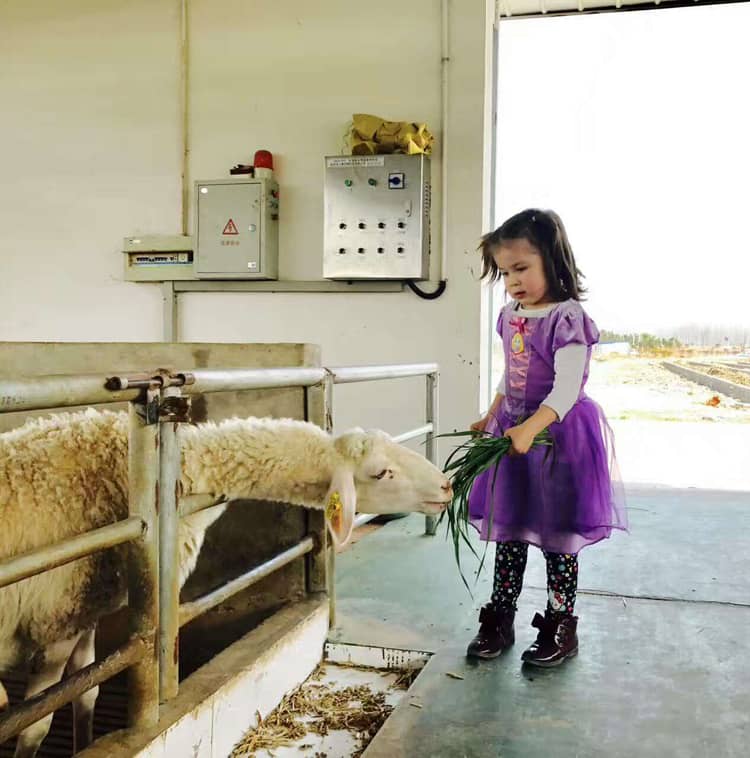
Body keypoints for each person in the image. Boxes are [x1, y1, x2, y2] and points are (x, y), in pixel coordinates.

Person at [466, 208, 628, 667]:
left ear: (551, 261)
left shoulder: (567, 317)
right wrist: (492, 414)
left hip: (558, 439)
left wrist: (531, 428)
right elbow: (511, 374)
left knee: (558, 537)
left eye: (521, 268)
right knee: (510, 531)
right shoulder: (510, 315)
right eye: (505, 272)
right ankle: (500, 617)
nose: (513, 281)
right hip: (515, 436)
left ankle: (560, 624)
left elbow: (567, 387)